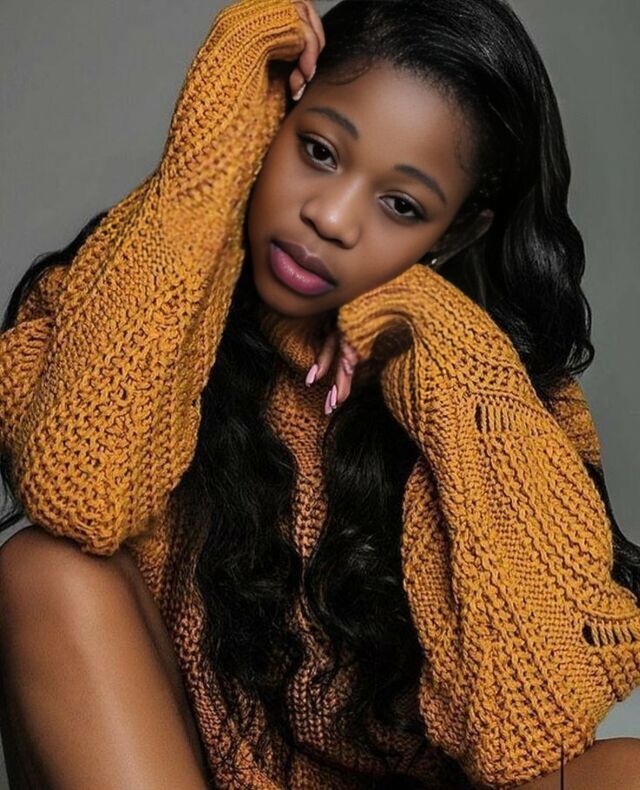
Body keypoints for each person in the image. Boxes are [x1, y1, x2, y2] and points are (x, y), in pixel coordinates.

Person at [0, 0, 639, 786]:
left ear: (453, 233)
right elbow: (79, 498)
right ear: (274, 117)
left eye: (401, 205)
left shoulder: (499, 396)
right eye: (319, 151)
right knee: (47, 565)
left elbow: (532, 733)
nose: (331, 218)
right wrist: (207, 161)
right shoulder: (109, 300)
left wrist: (439, 337)